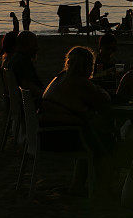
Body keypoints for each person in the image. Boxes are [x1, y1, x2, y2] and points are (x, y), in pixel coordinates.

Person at [40, 47, 113, 193]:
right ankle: (103, 187)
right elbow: (105, 100)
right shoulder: (79, 82)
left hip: (44, 134)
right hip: (61, 137)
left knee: (93, 130)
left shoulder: (60, 77)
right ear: (88, 66)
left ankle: (78, 185)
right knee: (106, 140)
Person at [9, 31, 45, 102]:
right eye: (34, 44)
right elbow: (27, 85)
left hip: (22, 97)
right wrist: (44, 95)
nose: (37, 48)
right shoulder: (23, 61)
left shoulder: (15, 58)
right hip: (29, 100)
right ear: (27, 45)